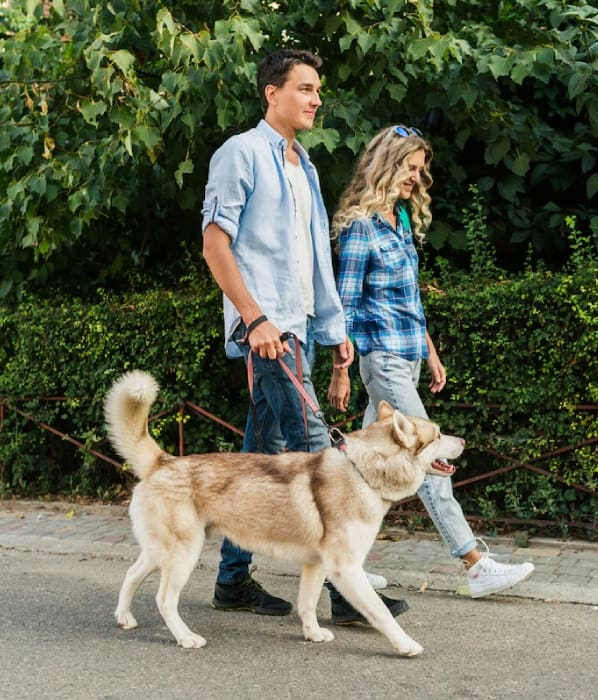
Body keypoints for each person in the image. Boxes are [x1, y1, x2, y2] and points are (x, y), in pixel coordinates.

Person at [200, 49, 407, 623]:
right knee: (324, 455)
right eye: (306, 88)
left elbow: (316, 255)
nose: (317, 99)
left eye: (318, 90)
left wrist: (336, 330)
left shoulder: (305, 166)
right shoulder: (240, 153)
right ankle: (346, 593)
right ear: (273, 93)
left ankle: (232, 582)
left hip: (299, 329)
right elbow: (215, 243)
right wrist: (253, 317)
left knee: (256, 458)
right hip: (268, 332)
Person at [328, 125, 535, 598]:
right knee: (426, 457)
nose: (417, 179)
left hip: (408, 357)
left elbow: (409, 301)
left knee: (359, 467)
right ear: (387, 163)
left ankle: (341, 563)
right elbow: (346, 305)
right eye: (410, 168)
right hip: (380, 359)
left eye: (422, 171)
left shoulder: (400, 220)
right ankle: (474, 563)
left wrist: (432, 352)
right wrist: (340, 370)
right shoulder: (361, 227)